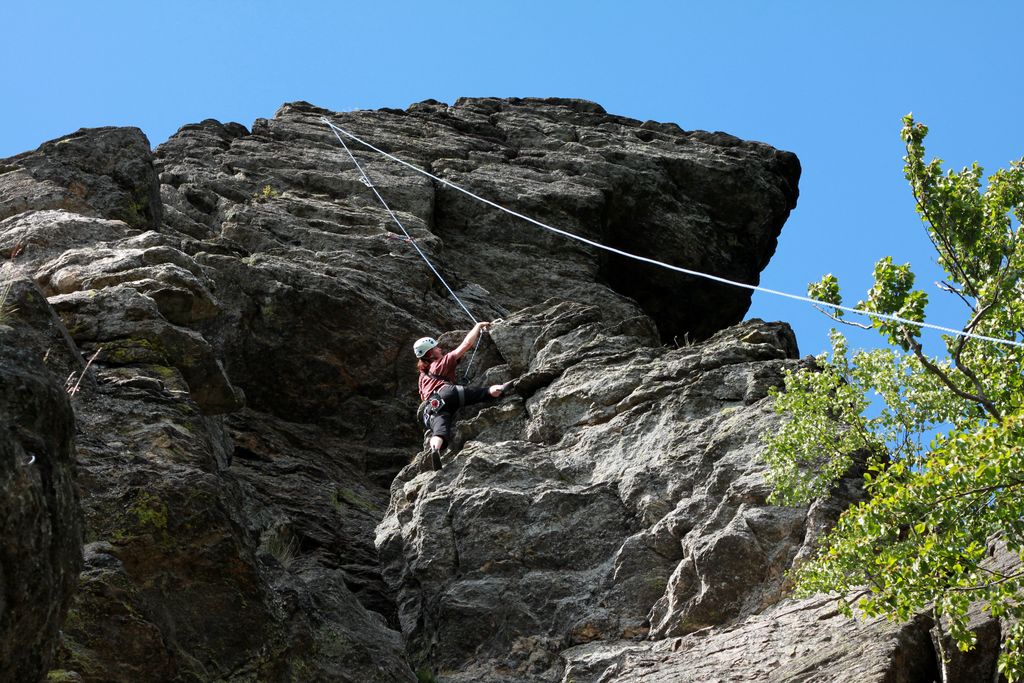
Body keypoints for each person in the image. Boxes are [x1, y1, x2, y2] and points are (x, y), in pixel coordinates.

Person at [414, 321, 513, 470]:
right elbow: (466, 344)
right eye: (436, 348)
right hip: (451, 393)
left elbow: (424, 398)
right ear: (430, 353)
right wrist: (478, 326)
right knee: (482, 393)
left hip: (433, 406)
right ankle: (500, 387)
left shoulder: (422, 378)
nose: (439, 348)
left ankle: (434, 448)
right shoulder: (440, 363)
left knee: (440, 430)